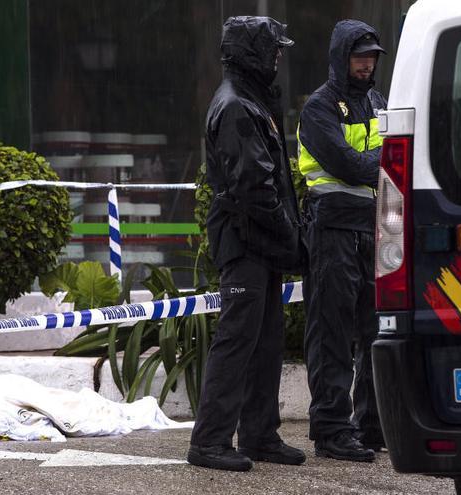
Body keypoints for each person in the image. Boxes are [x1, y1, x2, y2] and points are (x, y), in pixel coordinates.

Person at [187, 15, 306, 472]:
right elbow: (254, 185)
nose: (279, 56)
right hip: (245, 240)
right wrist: (288, 235)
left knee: (266, 341)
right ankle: (209, 441)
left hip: (260, 239)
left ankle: (259, 435)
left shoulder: (251, 100)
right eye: (274, 48)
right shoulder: (236, 105)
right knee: (238, 340)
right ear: (253, 52)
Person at [297, 19, 387, 462]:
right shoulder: (319, 107)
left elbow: (372, 161)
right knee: (331, 334)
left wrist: (375, 160)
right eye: (359, 56)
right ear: (340, 57)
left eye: (371, 57)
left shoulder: (376, 100)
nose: (366, 64)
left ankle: (371, 426)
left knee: (375, 331)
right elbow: (349, 166)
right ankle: (332, 430)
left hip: (373, 228)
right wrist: (384, 159)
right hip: (332, 230)